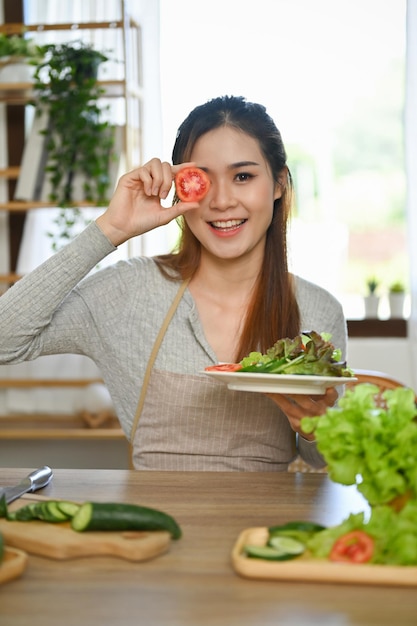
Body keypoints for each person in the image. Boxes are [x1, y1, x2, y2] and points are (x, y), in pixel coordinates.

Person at [0, 95, 346, 471]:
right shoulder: (129, 292)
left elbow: (321, 459)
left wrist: (314, 427)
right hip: (155, 526)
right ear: (182, 188)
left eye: (243, 177)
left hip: (266, 528)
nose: (223, 201)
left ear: (278, 184)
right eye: (202, 180)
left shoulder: (318, 309)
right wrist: (110, 229)